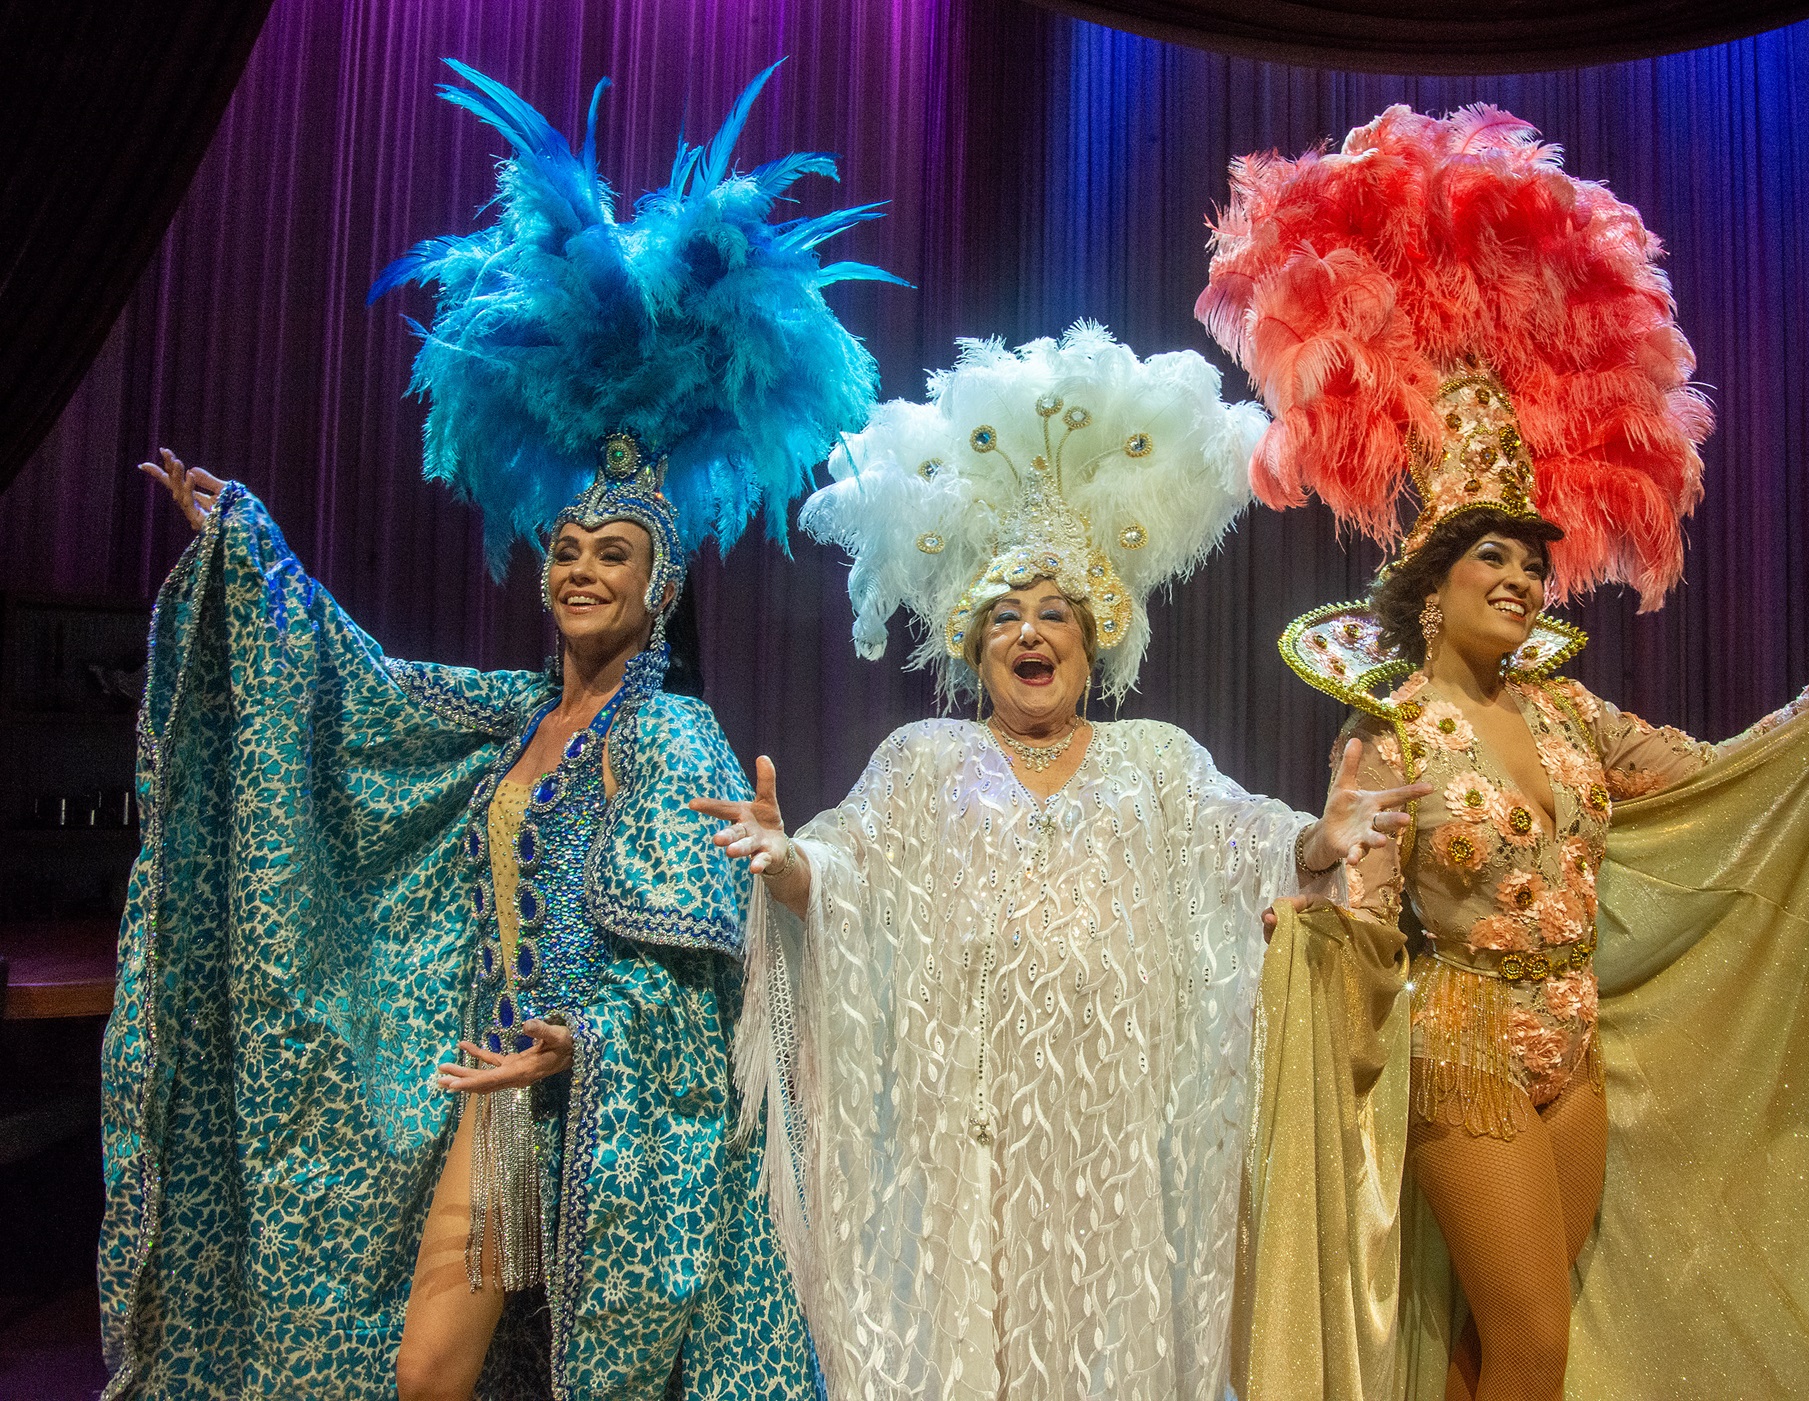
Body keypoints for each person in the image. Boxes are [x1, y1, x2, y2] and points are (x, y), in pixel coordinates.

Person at [1204, 106, 1809, 1401]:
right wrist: (1320, 878)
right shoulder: (1391, 735)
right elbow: (1363, 911)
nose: (1522, 578)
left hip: (1575, 1042)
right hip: (1469, 1049)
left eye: (1533, 560)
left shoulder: (1571, 716)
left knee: (1508, 1341)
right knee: (1535, 1340)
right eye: (1491, 555)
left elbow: (1721, 770)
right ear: (1427, 589)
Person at [99, 60, 898, 1399]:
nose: (584, 569)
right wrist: (253, 552)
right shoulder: (508, 718)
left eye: (614, 556)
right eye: (568, 550)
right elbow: (361, 687)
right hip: (489, 1087)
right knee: (426, 1373)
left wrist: (590, 1047)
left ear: (659, 589)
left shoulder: (674, 736)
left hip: (606, 1115)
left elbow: (701, 987)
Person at [692, 325, 1429, 1400]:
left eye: (1053, 617)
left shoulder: (1155, 763)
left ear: (1095, 647)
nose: (1029, 634)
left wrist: (1318, 841)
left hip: (1113, 1148)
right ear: (974, 646)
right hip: (972, 1148)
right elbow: (847, 876)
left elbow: (1245, 842)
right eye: (1004, 619)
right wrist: (789, 862)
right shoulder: (923, 760)